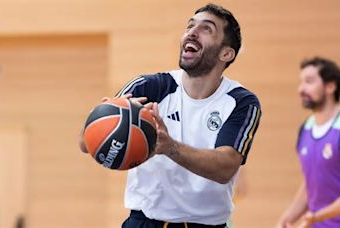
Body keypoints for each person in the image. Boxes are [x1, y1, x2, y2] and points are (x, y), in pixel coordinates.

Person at [80, 3, 262, 228]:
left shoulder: (241, 102)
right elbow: (85, 144)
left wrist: (169, 147)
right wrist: (101, 117)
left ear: (226, 53)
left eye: (207, 29)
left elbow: (225, 167)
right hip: (145, 222)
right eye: (190, 26)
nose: (192, 32)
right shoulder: (149, 86)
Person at [276, 57, 340, 228]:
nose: (301, 88)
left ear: (330, 86)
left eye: (309, 81)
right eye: (301, 82)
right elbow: (311, 185)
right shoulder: (305, 130)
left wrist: (317, 217)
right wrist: (286, 219)